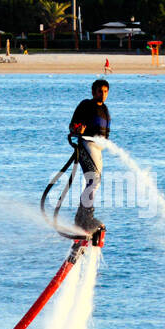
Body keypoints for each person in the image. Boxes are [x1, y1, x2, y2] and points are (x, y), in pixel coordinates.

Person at [68, 79, 110, 239]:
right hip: (86, 144)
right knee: (94, 181)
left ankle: (81, 218)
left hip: (98, 148)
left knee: (94, 184)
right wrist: (77, 128)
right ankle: (86, 218)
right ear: (93, 92)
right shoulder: (86, 105)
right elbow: (73, 126)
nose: (103, 94)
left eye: (105, 92)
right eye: (100, 91)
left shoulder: (105, 109)